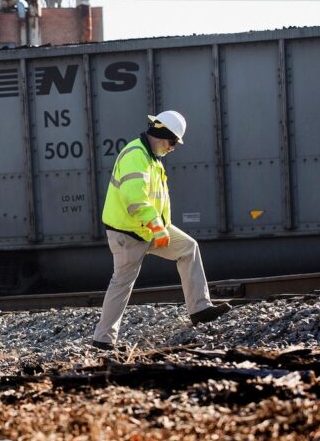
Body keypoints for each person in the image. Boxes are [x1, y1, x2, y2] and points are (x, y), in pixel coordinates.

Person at [91, 110, 231, 351]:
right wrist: (157, 226)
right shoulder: (136, 155)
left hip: (149, 229)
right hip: (129, 234)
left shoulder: (151, 157)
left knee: (188, 248)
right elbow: (135, 200)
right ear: (162, 135)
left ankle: (200, 309)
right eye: (173, 142)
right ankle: (102, 340)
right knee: (122, 283)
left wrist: (159, 226)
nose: (173, 148)